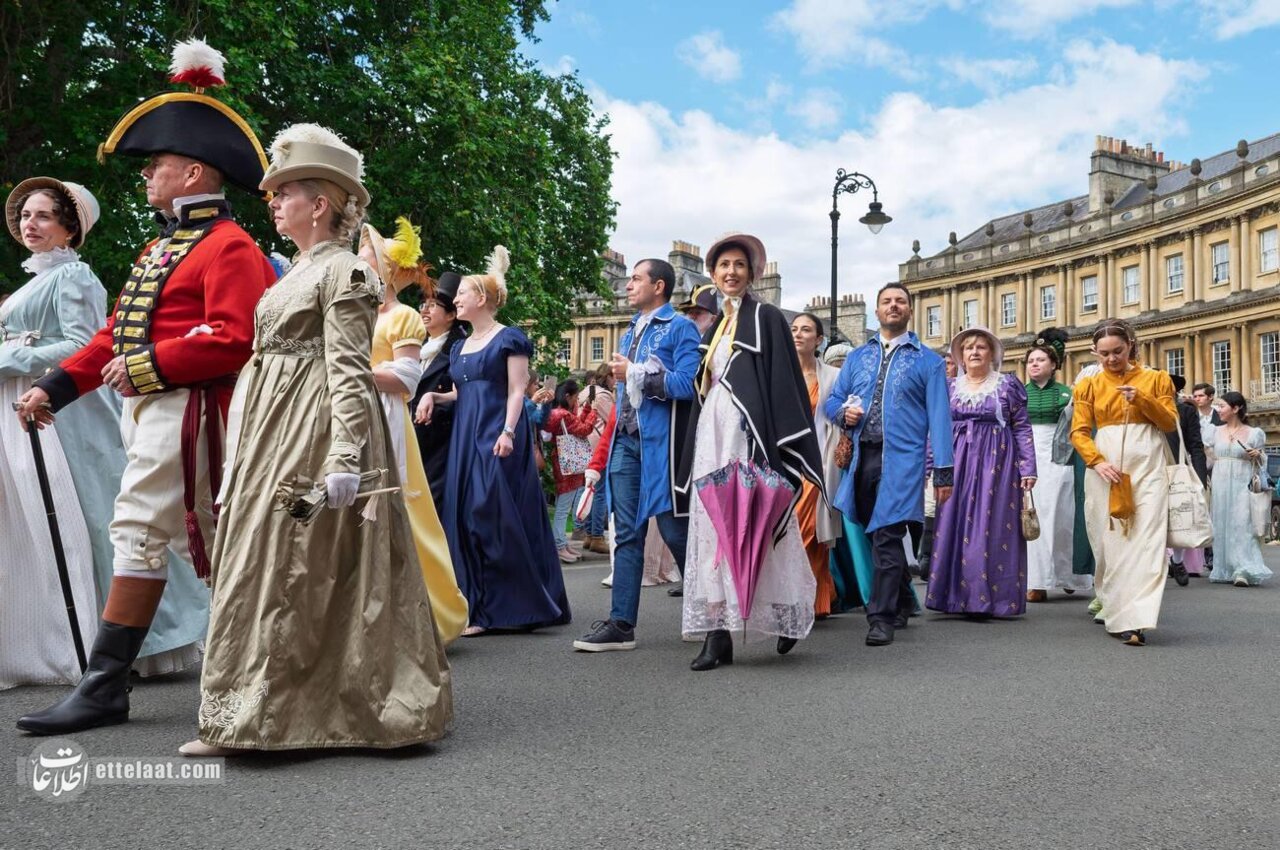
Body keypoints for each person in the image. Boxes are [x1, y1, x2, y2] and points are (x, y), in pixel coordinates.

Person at [15, 40, 275, 734]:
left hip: (195, 411)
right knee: (155, 536)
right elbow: (114, 334)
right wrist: (55, 387)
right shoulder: (161, 247)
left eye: (156, 165)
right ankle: (113, 687)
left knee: (171, 536)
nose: (147, 176)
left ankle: (121, 684)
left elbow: (236, 337)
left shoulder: (231, 246)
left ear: (193, 172)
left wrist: (150, 364)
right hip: (155, 411)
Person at [180, 124, 452, 756]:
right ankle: (250, 713)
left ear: (320, 204)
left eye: (285, 193)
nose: (273, 203)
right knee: (264, 560)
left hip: (313, 429)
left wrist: (346, 454)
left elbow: (349, 369)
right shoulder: (295, 271)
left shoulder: (347, 272)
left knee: (290, 562)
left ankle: (269, 717)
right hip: (271, 429)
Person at [1, 178, 206, 688]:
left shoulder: (75, 276)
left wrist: (9, 357)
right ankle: (56, 634)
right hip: (24, 402)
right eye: (26, 215)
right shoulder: (34, 280)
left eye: (43, 215)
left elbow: (81, 345)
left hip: (68, 413)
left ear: (70, 227)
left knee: (93, 516)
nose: (31, 224)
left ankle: (129, 640)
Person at [674, 232, 823, 669]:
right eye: (724, 265)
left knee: (757, 520)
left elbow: (783, 383)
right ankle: (717, 634)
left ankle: (786, 614)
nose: (731, 272)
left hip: (749, 433)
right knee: (714, 528)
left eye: (739, 265)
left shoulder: (768, 317)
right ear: (713, 274)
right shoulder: (715, 325)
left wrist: (772, 440)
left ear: (752, 273)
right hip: (713, 432)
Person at [417, 246, 571, 635]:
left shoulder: (509, 339)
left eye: (462, 293)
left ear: (482, 298)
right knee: (463, 517)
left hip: (497, 437)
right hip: (464, 442)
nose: (455, 300)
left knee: (488, 514)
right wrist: (434, 396)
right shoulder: (459, 346)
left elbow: (517, 390)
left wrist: (508, 432)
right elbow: (462, 391)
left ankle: (507, 606)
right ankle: (479, 607)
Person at [573, 257, 701, 651]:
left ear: (658, 286)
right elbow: (624, 399)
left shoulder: (680, 327)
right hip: (624, 443)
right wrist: (600, 457)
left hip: (661, 445)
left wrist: (637, 373)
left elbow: (687, 384)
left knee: (674, 530)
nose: (628, 285)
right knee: (626, 534)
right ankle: (621, 624)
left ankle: (706, 613)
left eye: (635, 279)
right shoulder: (629, 330)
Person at [824, 283, 953, 647]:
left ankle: (881, 617)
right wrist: (843, 413)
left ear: (909, 310)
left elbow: (940, 418)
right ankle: (904, 599)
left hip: (903, 461)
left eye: (900, 301)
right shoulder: (857, 357)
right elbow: (832, 401)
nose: (893, 306)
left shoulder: (929, 361)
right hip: (861, 457)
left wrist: (943, 472)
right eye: (886, 301)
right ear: (877, 311)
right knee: (871, 530)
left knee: (886, 533)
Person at [360, 217, 468, 645]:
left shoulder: (402, 316)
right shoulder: (351, 312)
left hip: (385, 421)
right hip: (350, 416)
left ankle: (423, 618)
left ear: (385, 268)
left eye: (366, 256)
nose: (358, 261)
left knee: (398, 516)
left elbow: (406, 378)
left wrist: (352, 372)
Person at [1071, 319, 1178, 646]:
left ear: (1131, 344)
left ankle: (1135, 618)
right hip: (1105, 466)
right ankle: (1113, 604)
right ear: (1095, 352)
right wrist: (1097, 461)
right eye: (1103, 353)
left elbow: (1169, 422)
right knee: (1108, 541)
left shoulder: (1156, 379)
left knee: (1147, 538)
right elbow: (1079, 432)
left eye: (1117, 351)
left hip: (1148, 462)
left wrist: (1142, 399)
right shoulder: (1088, 385)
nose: (1111, 359)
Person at [925, 327, 1036, 618]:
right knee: (953, 522)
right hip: (957, 460)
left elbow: (1022, 427)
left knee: (992, 525)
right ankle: (953, 597)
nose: (974, 352)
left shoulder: (1007, 385)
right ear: (960, 356)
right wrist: (930, 466)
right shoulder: (949, 387)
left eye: (981, 347)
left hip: (997, 462)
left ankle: (987, 599)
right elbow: (936, 428)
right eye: (968, 348)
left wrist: (1028, 467)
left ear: (992, 353)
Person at [1023, 328, 1091, 601]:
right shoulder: (1018, 393)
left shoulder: (1067, 394)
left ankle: (1068, 575)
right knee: (1033, 517)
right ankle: (1036, 581)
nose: (1034, 364)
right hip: (1028, 457)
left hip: (1061, 458)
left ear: (1053, 365)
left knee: (1063, 517)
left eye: (1040, 360)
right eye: (1031, 360)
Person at [791, 311, 843, 618]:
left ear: (819, 340)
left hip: (819, 461)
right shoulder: (778, 374)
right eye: (794, 329)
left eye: (806, 330)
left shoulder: (832, 376)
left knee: (811, 529)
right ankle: (818, 596)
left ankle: (809, 597)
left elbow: (840, 414)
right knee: (790, 531)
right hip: (787, 462)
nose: (798, 334)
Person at [409, 270, 467, 511]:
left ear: (451, 314)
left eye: (433, 305)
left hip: (442, 446)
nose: (424, 310)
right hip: (411, 440)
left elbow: (466, 396)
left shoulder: (461, 349)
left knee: (431, 510)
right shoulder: (416, 347)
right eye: (423, 304)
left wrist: (435, 400)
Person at [1208, 392, 1273, 587]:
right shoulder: (1213, 431)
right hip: (1220, 484)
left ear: (1235, 408)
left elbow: (1263, 461)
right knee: (1221, 523)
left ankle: (1243, 569)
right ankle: (1224, 568)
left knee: (1243, 524)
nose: (1218, 410)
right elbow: (1209, 459)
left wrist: (1257, 455)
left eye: (1222, 406)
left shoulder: (1254, 433)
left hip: (1242, 483)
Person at [545, 378, 598, 563]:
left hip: (563, 462)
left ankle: (562, 543)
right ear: (568, 396)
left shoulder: (558, 414)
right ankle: (559, 545)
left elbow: (576, 425)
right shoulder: (563, 415)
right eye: (576, 397)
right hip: (568, 466)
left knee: (563, 505)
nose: (577, 401)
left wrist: (587, 410)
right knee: (563, 508)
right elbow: (584, 429)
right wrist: (594, 412)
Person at [1165, 374, 1209, 584]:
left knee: (1179, 518)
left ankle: (1177, 560)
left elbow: (1196, 446)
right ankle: (1157, 566)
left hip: (1177, 469)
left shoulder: (1185, 411)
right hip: (1150, 469)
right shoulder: (1144, 409)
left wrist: (1199, 479)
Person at [576, 365, 614, 555]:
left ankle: (589, 535)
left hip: (585, 445)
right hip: (599, 446)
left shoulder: (586, 392)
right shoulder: (603, 395)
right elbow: (614, 420)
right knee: (599, 493)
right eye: (613, 378)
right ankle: (597, 536)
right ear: (608, 377)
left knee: (589, 490)